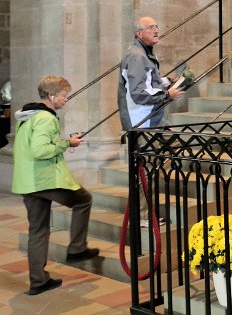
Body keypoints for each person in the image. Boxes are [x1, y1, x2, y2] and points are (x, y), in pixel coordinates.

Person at [12, 75, 100, 296]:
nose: (66, 99)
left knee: (38, 230)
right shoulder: (46, 118)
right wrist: (66, 144)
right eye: (63, 95)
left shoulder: (27, 116)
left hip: (27, 181)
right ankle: (77, 249)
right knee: (84, 199)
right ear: (51, 96)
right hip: (44, 179)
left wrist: (63, 142)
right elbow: (40, 150)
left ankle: (38, 281)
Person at [118, 17, 184, 130]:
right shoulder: (137, 57)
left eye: (156, 27)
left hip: (148, 117)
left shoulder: (144, 52)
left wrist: (168, 80)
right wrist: (167, 95)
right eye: (151, 27)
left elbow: (146, 82)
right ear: (139, 33)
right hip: (140, 120)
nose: (156, 30)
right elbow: (138, 93)